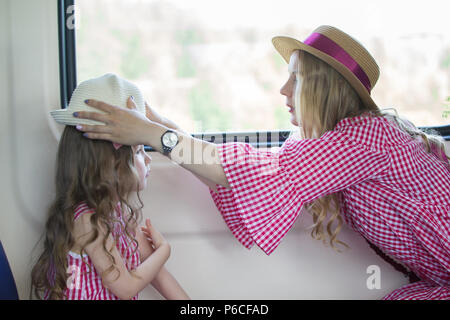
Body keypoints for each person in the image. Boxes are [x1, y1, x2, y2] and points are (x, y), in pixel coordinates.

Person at [73, 26, 450, 299]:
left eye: (295, 79)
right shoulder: (335, 146)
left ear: (323, 89)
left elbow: (250, 172)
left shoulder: (366, 138)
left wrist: (155, 137)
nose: (284, 91)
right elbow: (244, 172)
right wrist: (157, 125)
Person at [31, 74, 190, 300]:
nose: (148, 159)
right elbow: (125, 288)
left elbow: (153, 269)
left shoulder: (118, 213)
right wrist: (164, 251)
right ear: (110, 165)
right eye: (138, 152)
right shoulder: (86, 220)